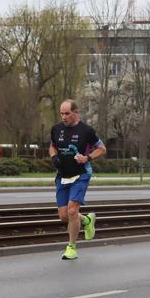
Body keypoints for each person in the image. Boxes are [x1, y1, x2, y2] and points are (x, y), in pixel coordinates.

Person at [49, 99, 106, 260]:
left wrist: (87, 158)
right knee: (64, 215)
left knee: (72, 210)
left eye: (67, 113)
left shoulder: (86, 131)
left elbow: (102, 149)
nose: (64, 117)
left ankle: (71, 247)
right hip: (62, 175)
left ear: (76, 112)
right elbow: (52, 146)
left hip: (81, 174)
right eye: (61, 113)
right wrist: (54, 157)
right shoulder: (56, 129)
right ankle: (87, 220)